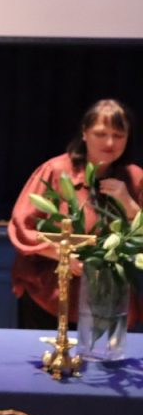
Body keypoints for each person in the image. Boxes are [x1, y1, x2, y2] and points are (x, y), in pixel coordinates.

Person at [9, 98, 143, 329]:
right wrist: (61, 255)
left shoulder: (135, 178)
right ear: (84, 133)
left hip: (109, 302)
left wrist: (130, 206)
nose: (110, 142)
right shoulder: (55, 171)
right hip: (50, 297)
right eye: (100, 134)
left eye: (118, 135)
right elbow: (22, 228)